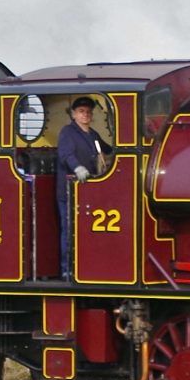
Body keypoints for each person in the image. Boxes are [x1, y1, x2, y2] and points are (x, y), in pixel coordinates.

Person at [55, 98, 110, 280]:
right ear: (73, 114)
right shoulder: (67, 132)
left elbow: (106, 149)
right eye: (81, 111)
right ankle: (66, 269)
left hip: (88, 191)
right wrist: (78, 167)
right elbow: (66, 155)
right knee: (68, 228)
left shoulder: (93, 135)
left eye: (88, 111)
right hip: (70, 190)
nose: (85, 114)